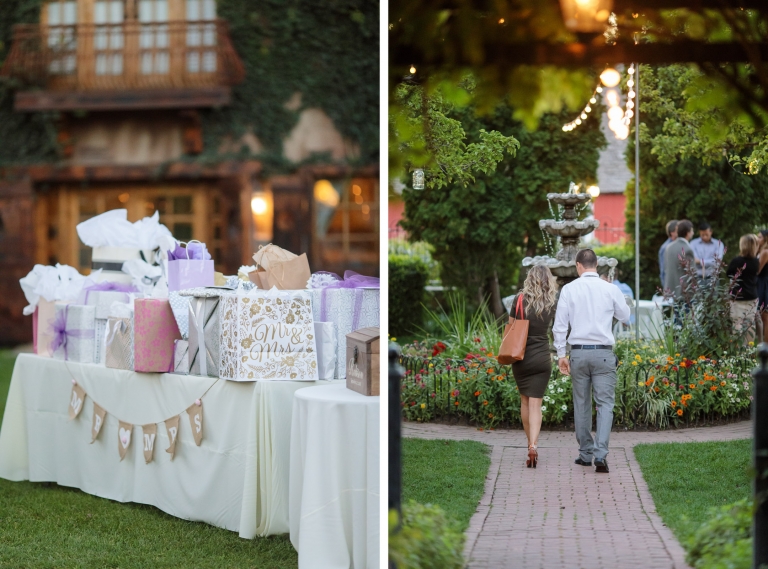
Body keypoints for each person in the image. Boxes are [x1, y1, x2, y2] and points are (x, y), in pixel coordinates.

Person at [553, 249, 631, 474]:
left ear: (578, 266)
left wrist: (561, 354)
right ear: (596, 265)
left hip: (578, 353)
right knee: (605, 404)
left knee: (582, 404)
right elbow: (625, 316)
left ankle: (585, 454)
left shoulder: (569, 289)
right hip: (604, 353)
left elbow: (559, 326)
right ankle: (600, 454)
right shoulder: (610, 288)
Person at [507, 264, 558, 468]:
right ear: (548, 280)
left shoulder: (519, 300)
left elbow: (510, 328)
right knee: (536, 404)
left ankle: (529, 444)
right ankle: (534, 446)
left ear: (529, 279)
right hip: (542, 358)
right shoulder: (552, 302)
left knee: (525, 402)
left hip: (521, 358)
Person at [726, 234, 760, 345]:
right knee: (749, 324)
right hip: (752, 295)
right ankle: (749, 348)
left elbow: (729, 274)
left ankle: (738, 349)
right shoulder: (755, 261)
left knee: (737, 323)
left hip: (738, 296)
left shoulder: (737, 261)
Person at [663, 219, 696, 299]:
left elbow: (666, 269)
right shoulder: (687, 249)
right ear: (688, 233)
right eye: (692, 230)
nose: (693, 233)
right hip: (683, 293)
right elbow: (692, 273)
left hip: (669, 292)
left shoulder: (669, 247)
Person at [756, 230, 768, 342]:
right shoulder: (761, 250)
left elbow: (757, 270)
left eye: (759, 237)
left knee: (764, 316)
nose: (757, 239)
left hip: (763, 283)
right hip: (760, 282)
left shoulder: (765, 252)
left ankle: (765, 345)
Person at [658, 220, 678, 287]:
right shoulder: (666, 248)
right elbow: (664, 270)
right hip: (671, 287)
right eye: (678, 230)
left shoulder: (678, 245)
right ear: (672, 232)